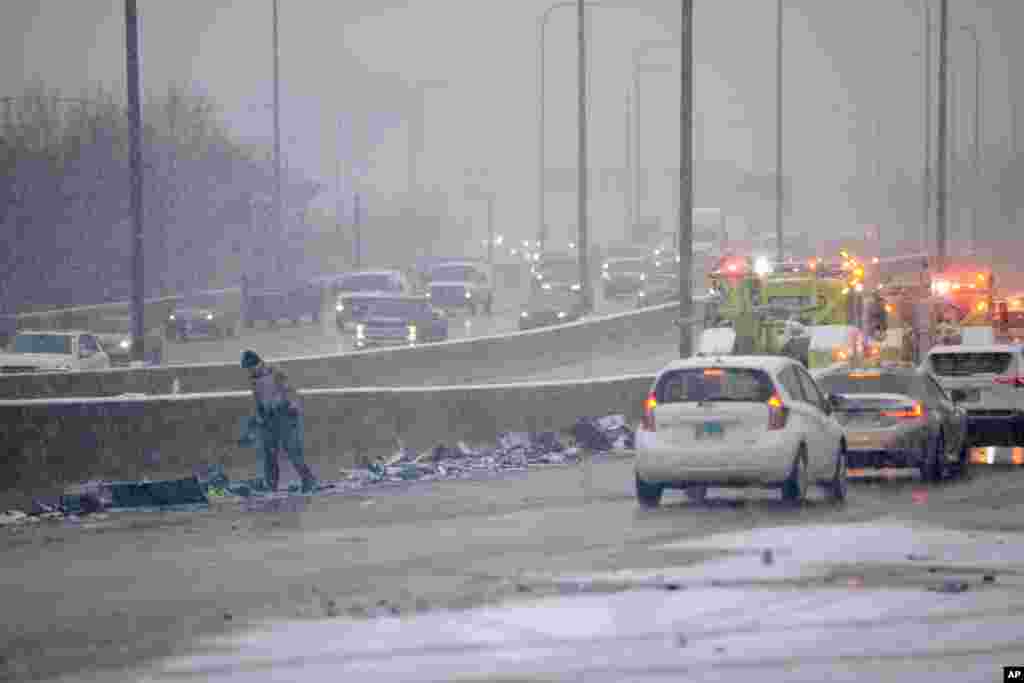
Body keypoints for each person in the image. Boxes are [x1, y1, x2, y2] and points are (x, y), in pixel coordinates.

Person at [240, 350, 318, 493]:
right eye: (248, 369)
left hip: (285, 414)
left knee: (293, 451)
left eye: (251, 367)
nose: (250, 371)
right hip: (268, 417)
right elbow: (258, 399)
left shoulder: (275, 372)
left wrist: (293, 408)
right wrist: (258, 417)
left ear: (258, 363)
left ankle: (308, 480)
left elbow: (290, 391)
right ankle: (271, 486)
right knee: (269, 453)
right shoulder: (253, 378)